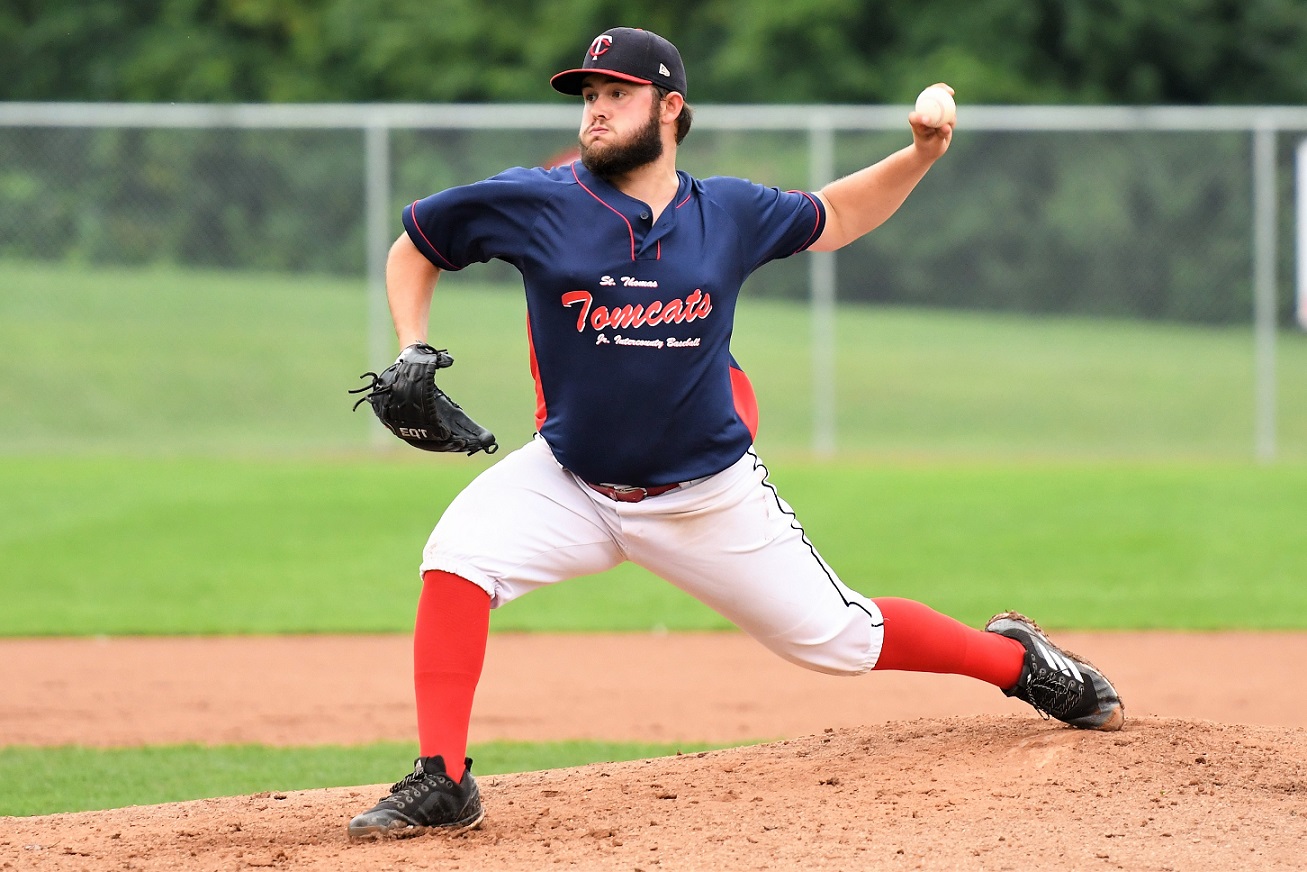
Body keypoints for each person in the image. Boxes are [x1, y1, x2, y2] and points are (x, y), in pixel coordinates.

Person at [346, 26, 1123, 839]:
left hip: (705, 496)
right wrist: (411, 346)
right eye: (589, 96)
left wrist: (921, 153)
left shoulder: (727, 212)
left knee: (841, 639)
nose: (596, 110)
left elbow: (837, 215)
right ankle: (444, 779)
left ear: (669, 107)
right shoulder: (538, 201)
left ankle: (1017, 662)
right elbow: (416, 246)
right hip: (570, 479)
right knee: (458, 557)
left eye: (617, 94)